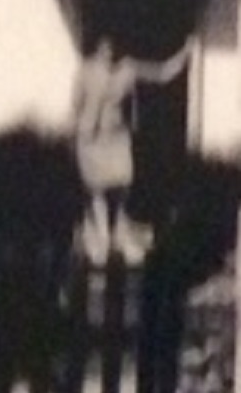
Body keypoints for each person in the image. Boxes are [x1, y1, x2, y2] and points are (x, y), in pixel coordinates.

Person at [71, 34, 187, 264]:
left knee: (122, 184)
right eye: (105, 48)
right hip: (90, 137)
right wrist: (75, 131)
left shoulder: (128, 68)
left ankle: (118, 232)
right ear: (98, 48)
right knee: (97, 188)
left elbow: (161, 73)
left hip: (117, 137)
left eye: (113, 48)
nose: (109, 53)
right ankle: (102, 237)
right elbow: (76, 103)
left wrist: (185, 53)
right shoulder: (86, 70)